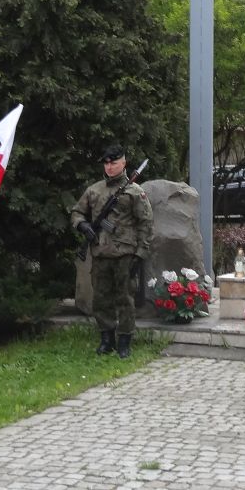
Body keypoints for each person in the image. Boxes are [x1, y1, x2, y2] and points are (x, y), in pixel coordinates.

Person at [71, 144, 152, 359]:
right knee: (101, 299)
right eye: (106, 164)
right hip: (100, 252)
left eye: (114, 163)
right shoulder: (94, 190)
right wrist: (83, 225)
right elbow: (77, 212)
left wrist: (140, 254)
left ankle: (124, 340)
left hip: (125, 253)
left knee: (125, 299)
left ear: (123, 163)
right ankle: (106, 339)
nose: (109, 167)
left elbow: (145, 224)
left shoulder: (135, 191)